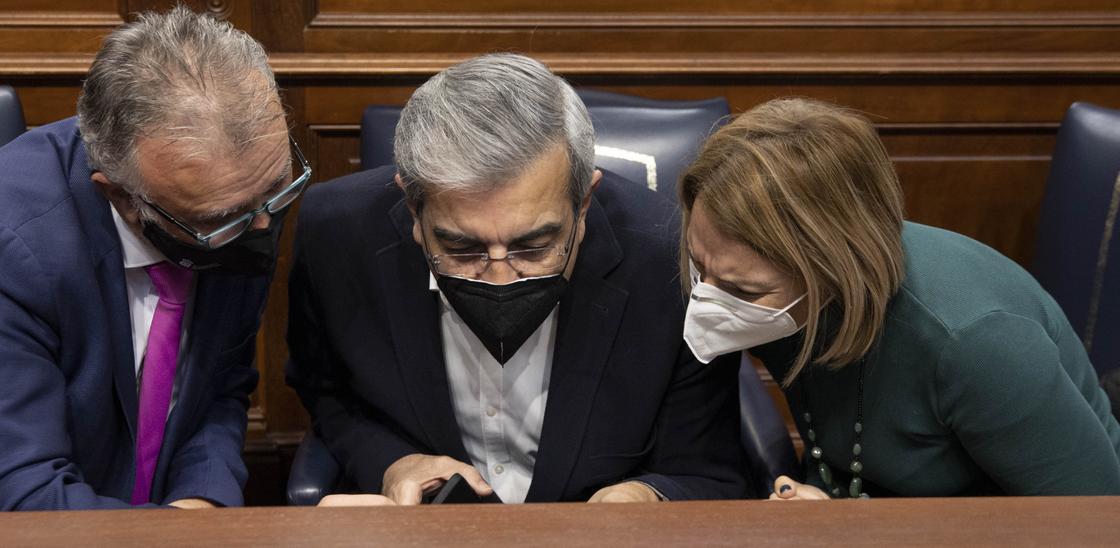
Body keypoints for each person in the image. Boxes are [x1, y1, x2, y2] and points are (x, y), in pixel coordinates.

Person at [0, 6, 307, 512]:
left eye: (279, 191)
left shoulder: (239, 196)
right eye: (228, 217)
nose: (262, 227)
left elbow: (218, 387)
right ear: (122, 197)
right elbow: (17, 501)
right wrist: (174, 534)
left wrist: (202, 503)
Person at [286, 53, 749, 506]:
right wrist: (393, 462)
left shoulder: (671, 259)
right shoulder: (337, 235)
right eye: (462, 248)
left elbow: (704, 470)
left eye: (534, 246)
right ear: (413, 210)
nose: (501, 278)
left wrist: (643, 497)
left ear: (583, 203)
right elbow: (329, 395)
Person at [676, 97, 1120, 499]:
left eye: (743, 290)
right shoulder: (759, 284)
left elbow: (1094, 520)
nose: (709, 299)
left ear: (833, 270)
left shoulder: (976, 339)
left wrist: (860, 527)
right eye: (699, 266)